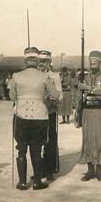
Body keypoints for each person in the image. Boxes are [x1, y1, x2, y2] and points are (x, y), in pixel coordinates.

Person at [10, 47, 58, 190]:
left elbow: (12, 97)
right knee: (37, 149)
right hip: (40, 116)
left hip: (21, 116)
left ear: (25, 60)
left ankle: (22, 182)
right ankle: (37, 182)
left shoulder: (16, 76)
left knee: (22, 149)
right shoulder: (44, 77)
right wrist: (45, 99)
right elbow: (55, 95)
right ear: (37, 60)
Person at [77, 50, 101, 182]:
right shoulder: (85, 78)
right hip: (87, 112)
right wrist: (78, 113)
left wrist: (88, 88)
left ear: (100, 63)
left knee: (100, 140)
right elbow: (80, 97)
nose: (92, 64)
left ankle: (99, 171)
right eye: (91, 62)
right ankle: (90, 171)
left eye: (95, 62)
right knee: (88, 140)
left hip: (100, 112)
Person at [38, 50, 62, 181]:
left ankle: (49, 170)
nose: (42, 64)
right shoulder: (34, 76)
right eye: (40, 61)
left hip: (50, 112)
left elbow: (60, 95)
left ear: (49, 62)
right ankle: (39, 169)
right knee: (37, 142)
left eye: (45, 62)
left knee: (50, 141)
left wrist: (54, 99)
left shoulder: (55, 76)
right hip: (36, 113)